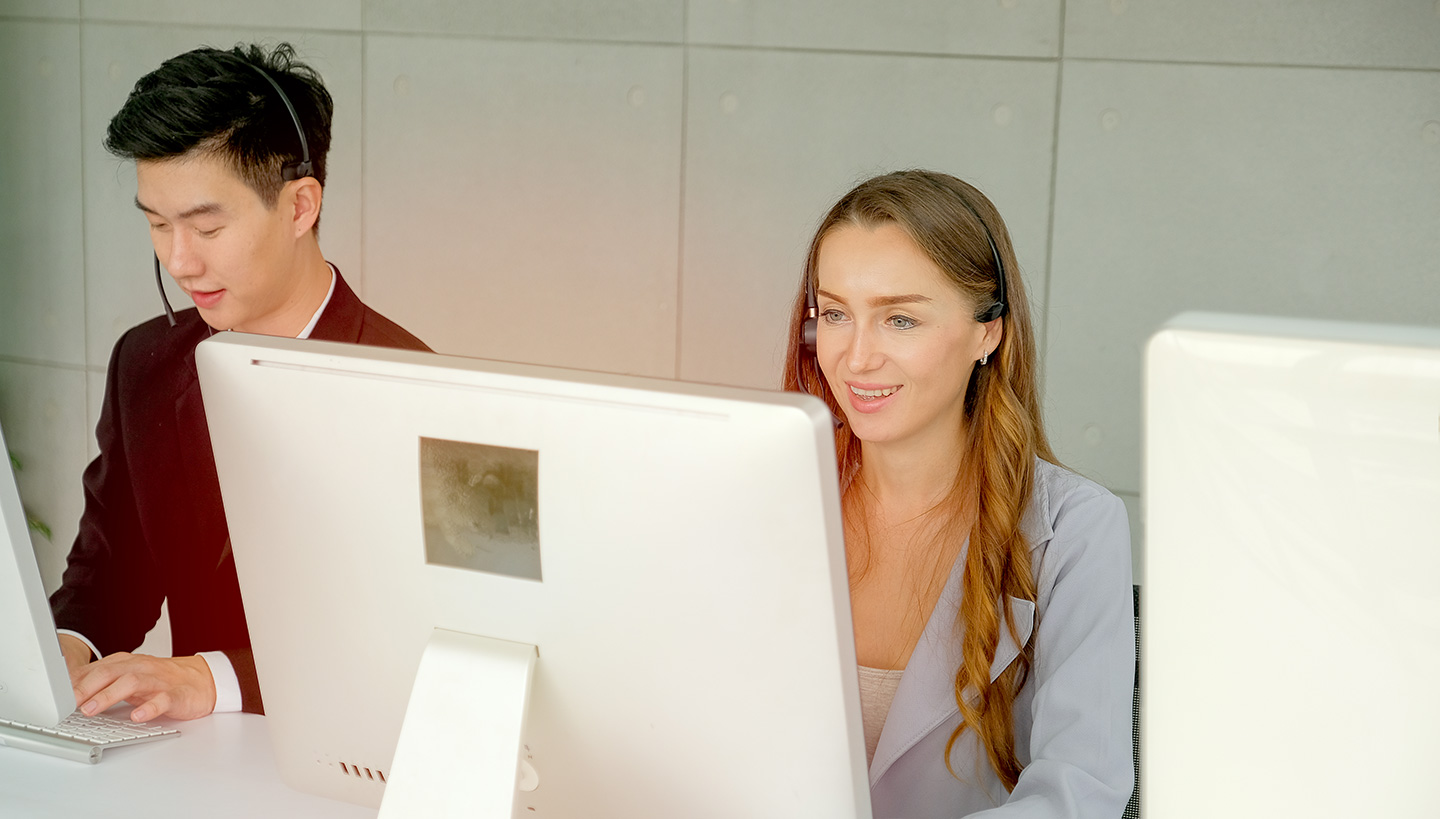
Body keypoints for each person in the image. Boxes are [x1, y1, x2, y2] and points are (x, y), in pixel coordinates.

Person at [48, 43, 430, 723]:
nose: (179, 260)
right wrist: (65, 647)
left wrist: (214, 679)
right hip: (193, 769)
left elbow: (413, 644)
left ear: (300, 206)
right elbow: (110, 578)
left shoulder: (416, 390)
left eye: (207, 225)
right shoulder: (144, 362)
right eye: (156, 223)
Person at [784, 170, 1134, 817]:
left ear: (987, 332)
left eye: (900, 318)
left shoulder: (1077, 529)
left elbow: (1079, 793)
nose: (856, 357)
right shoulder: (772, 503)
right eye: (834, 313)